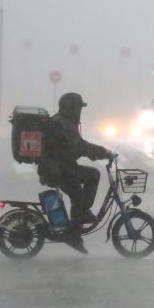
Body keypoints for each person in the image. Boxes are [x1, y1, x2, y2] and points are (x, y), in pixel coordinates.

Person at [38, 91, 114, 254]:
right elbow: (79, 147)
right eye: (79, 107)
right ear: (73, 108)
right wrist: (104, 152)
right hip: (58, 170)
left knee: (78, 192)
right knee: (92, 176)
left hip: (59, 167)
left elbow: (73, 148)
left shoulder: (61, 121)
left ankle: (76, 226)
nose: (80, 111)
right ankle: (76, 227)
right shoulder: (64, 124)